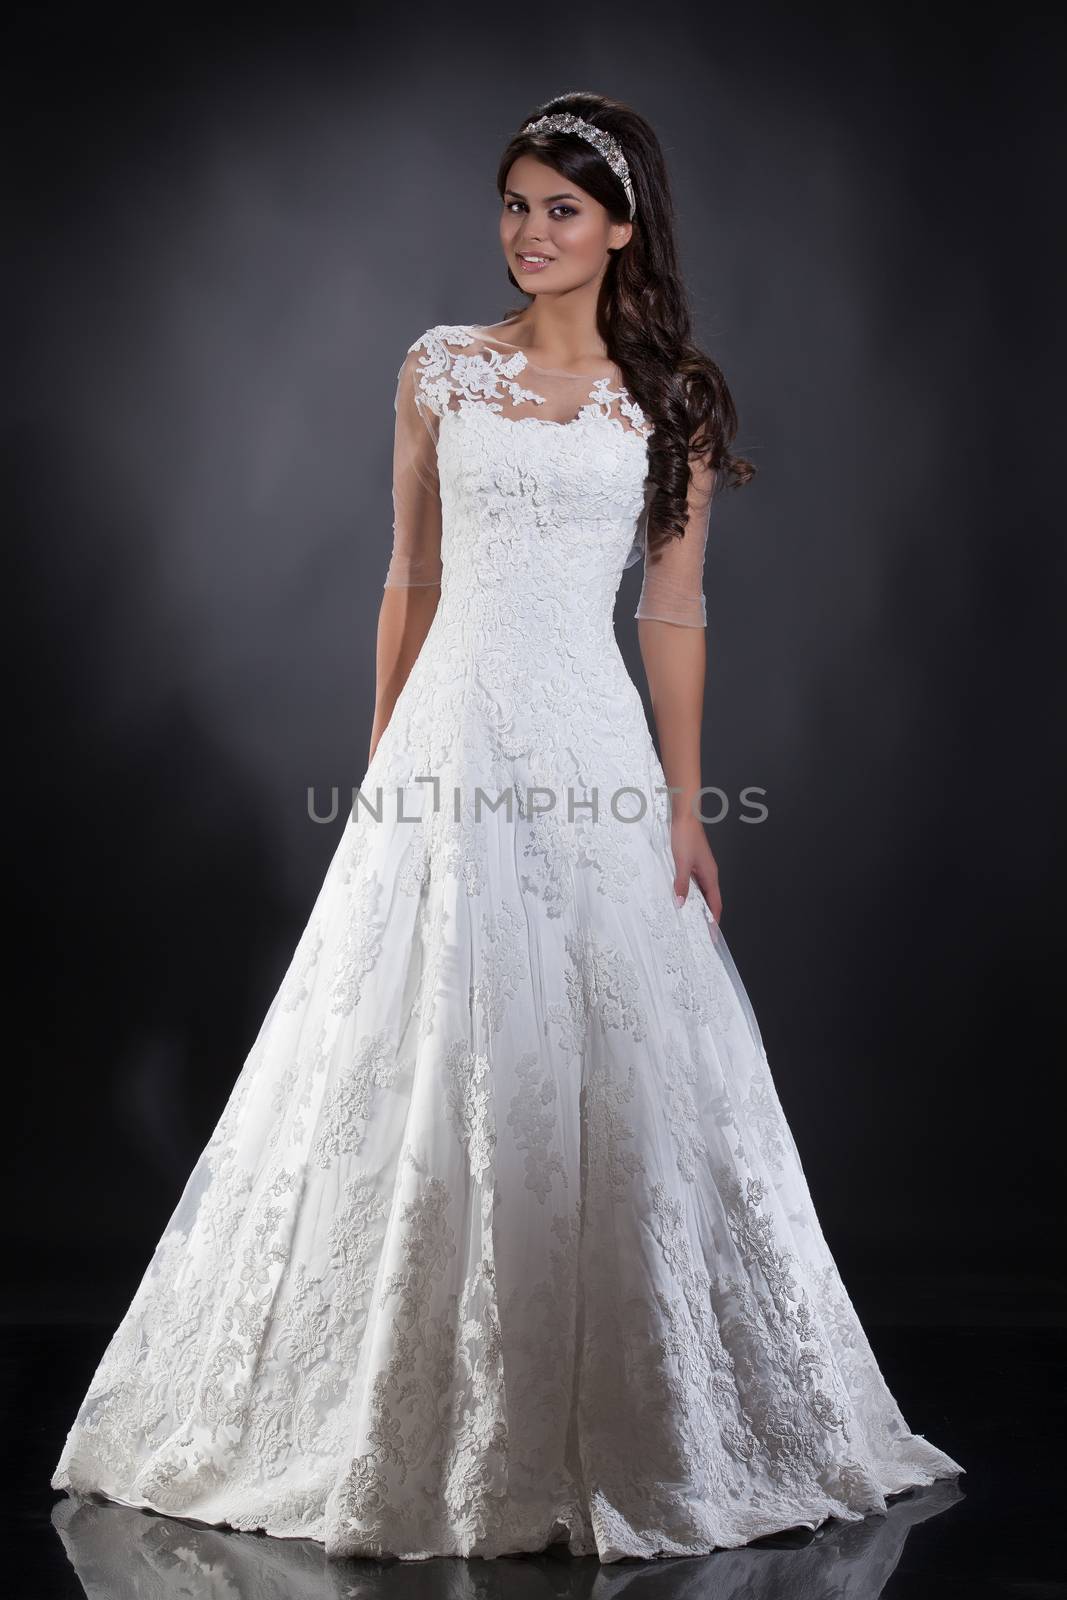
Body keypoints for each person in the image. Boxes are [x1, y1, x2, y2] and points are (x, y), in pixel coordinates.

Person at [50, 91, 963, 1562]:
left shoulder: (672, 400)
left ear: (621, 228)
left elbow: (672, 605)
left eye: (561, 209)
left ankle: (623, 1418)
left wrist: (684, 802)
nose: (530, 234)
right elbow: (408, 574)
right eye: (515, 205)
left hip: (589, 744)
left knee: (597, 1042)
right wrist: (380, 759)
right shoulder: (439, 370)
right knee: (422, 1038)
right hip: (450, 741)